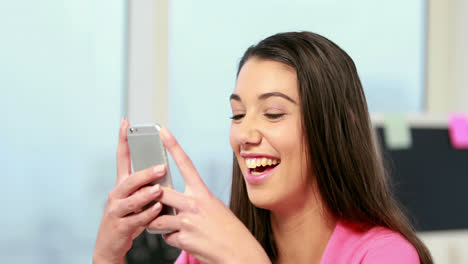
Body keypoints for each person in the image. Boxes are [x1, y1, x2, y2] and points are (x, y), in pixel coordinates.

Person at [93, 31, 433, 264]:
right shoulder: (206, 250)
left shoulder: (384, 255)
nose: (244, 134)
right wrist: (108, 256)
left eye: (272, 113)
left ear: (337, 127)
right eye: (238, 114)